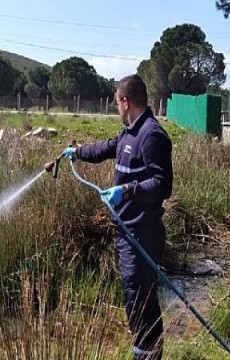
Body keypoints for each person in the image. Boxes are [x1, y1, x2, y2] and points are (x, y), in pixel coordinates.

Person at [63, 74, 173, 360]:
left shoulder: (152, 135)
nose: (116, 108)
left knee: (139, 302)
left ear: (125, 102)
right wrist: (77, 152)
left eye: (116, 103)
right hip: (128, 232)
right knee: (138, 299)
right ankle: (147, 353)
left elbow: (163, 185)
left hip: (142, 234)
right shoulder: (130, 132)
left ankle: (145, 355)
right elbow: (107, 148)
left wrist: (126, 191)